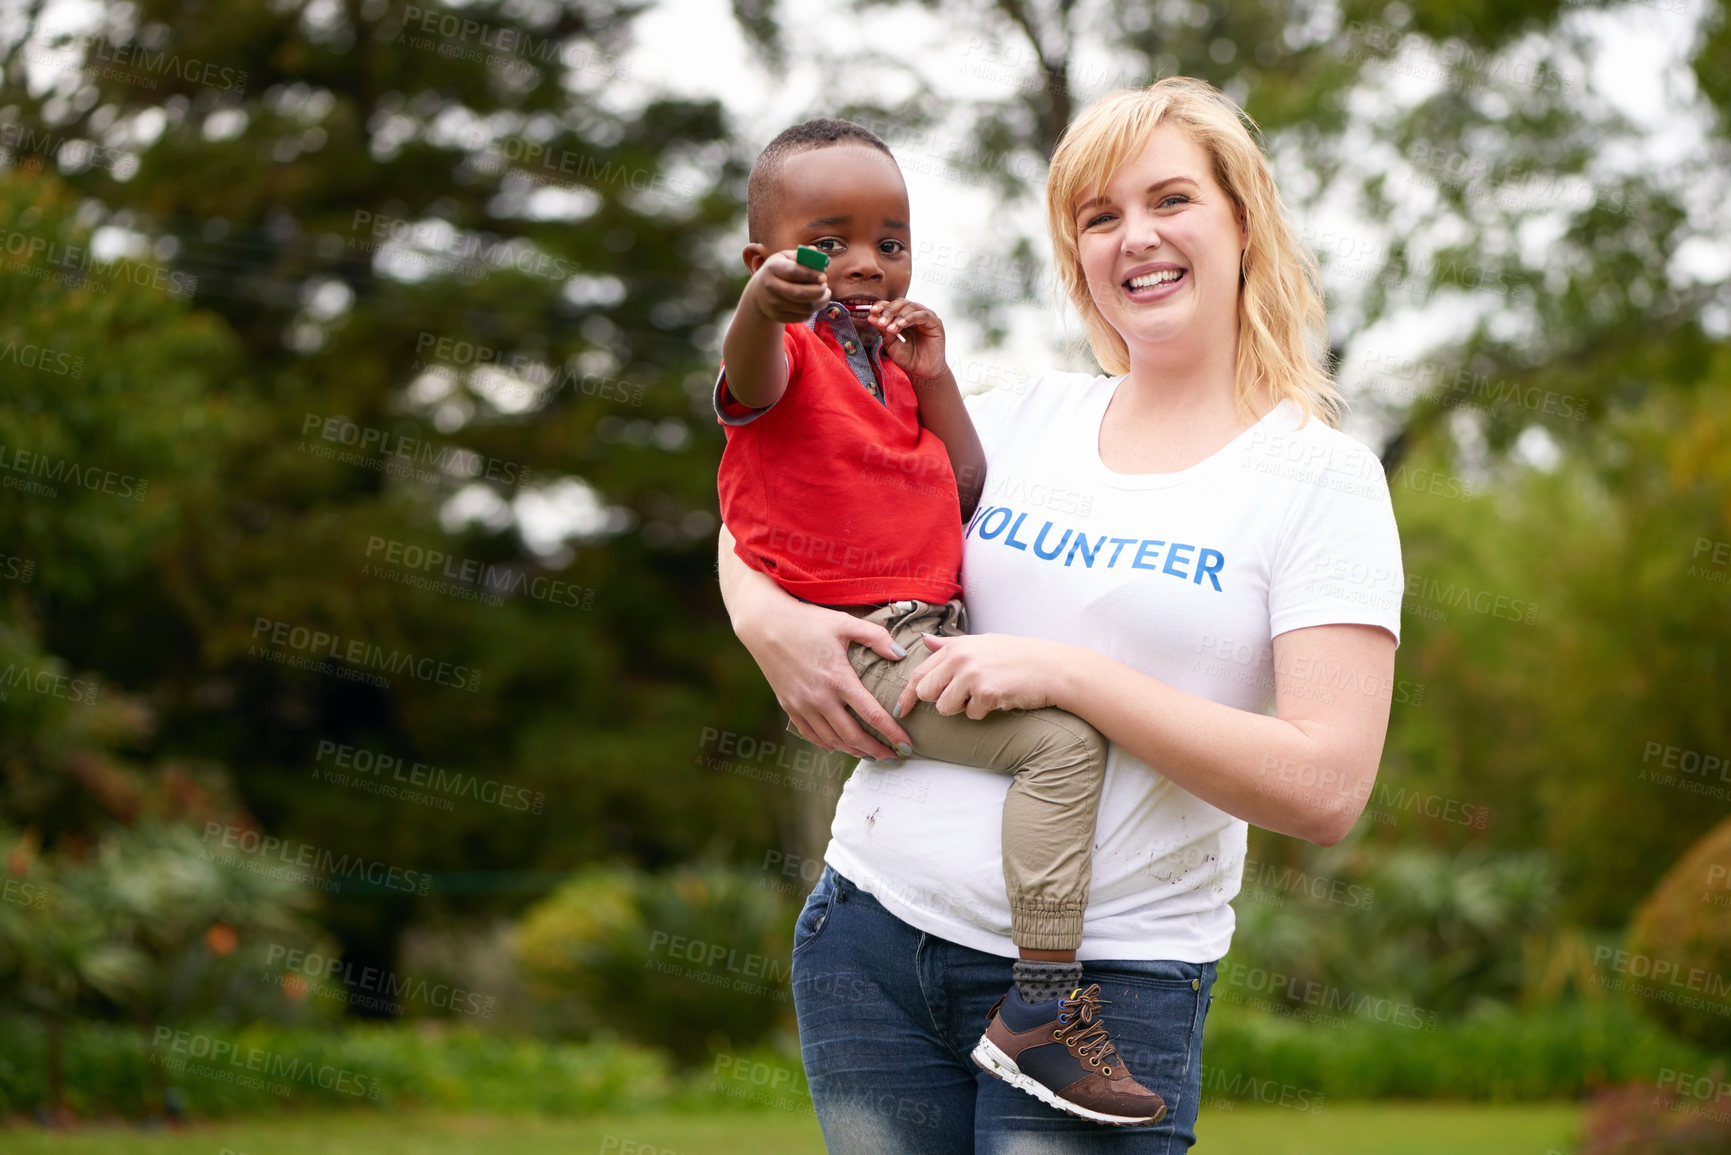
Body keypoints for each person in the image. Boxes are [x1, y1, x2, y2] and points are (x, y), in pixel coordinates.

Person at [719, 77, 1404, 1153]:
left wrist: (1067, 676)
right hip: (871, 941)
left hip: (1108, 989)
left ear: (1242, 223)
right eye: (1099, 216)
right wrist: (768, 625)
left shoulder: (1321, 482)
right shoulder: (1020, 417)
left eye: (1171, 200)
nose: (1136, 237)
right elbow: (780, 499)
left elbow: (1325, 788)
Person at [713, 117, 1166, 1125]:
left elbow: (964, 489)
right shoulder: (783, 355)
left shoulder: (889, 373)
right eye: (829, 242)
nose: (867, 264)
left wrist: (936, 379)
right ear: (766, 257)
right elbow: (747, 376)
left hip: (931, 624)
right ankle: (1041, 1012)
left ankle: (1036, 1002)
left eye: (892, 240)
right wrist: (758, 305)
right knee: (1058, 745)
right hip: (869, 640)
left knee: (1053, 730)